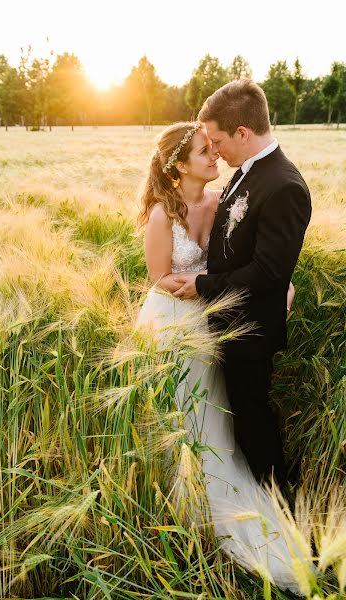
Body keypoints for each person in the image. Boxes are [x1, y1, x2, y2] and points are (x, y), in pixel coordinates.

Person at [136, 117, 309, 594]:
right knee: (180, 415)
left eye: (214, 148)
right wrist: (210, 289)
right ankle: (178, 498)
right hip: (173, 326)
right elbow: (161, 281)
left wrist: (277, 283)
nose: (214, 156)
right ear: (179, 167)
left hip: (214, 323)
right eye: (203, 152)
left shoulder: (225, 199)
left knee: (216, 417)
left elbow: (245, 257)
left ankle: (227, 492)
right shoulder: (160, 215)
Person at [172, 80, 311, 488]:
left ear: (243, 134)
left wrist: (203, 285)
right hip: (227, 321)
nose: (214, 150)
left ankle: (276, 499)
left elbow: (268, 272)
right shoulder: (249, 171)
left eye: (217, 140)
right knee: (238, 417)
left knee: (252, 419)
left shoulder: (283, 185)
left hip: (249, 331)